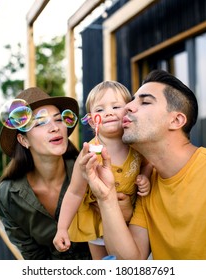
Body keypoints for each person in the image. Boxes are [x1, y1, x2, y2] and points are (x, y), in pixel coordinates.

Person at [79, 69, 206, 260]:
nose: (127, 108)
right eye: (132, 100)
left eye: (145, 102)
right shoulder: (147, 183)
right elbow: (130, 262)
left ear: (176, 121)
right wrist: (106, 197)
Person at [53, 81, 152, 259]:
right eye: (99, 110)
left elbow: (147, 163)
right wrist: (61, 228)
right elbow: (74, 192)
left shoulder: (137, 144)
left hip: (133, 218)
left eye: (116, 106)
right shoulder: (89, 154)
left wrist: (144, 177)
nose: (108, 113)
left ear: (129, 110)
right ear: (91, 121)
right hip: (97, 222)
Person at [0, 87, 92, 260]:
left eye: (58, 119)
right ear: (23, 140)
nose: (55, 127)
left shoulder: (90, 170)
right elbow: (34, 258)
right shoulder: (9, 196)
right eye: (40, 123)